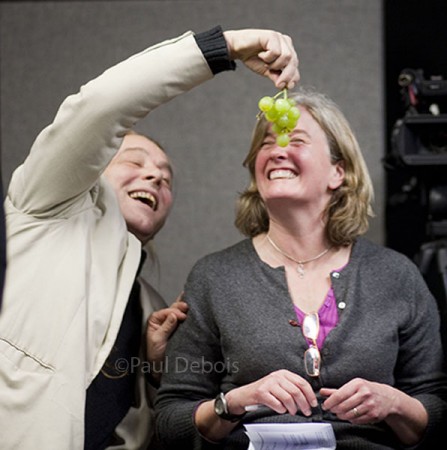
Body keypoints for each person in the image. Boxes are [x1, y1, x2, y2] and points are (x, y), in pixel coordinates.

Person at [0, 26, 299, 450]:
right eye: (134, 161)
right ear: (90, 170)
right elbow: (100, 108)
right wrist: (224, 47)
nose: (155, 176)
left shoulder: (152, 311)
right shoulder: (42, 204)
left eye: (167, 177)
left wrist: (159, 372)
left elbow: (146, 430)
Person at [155, 86, 447, 449]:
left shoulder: (396, 275)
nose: (277, 151)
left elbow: (436, 410)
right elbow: (169, 420)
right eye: (266, 144)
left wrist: (395, 404)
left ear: (337, 172)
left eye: (296, 140)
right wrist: (233, 402)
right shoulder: (215, 277)